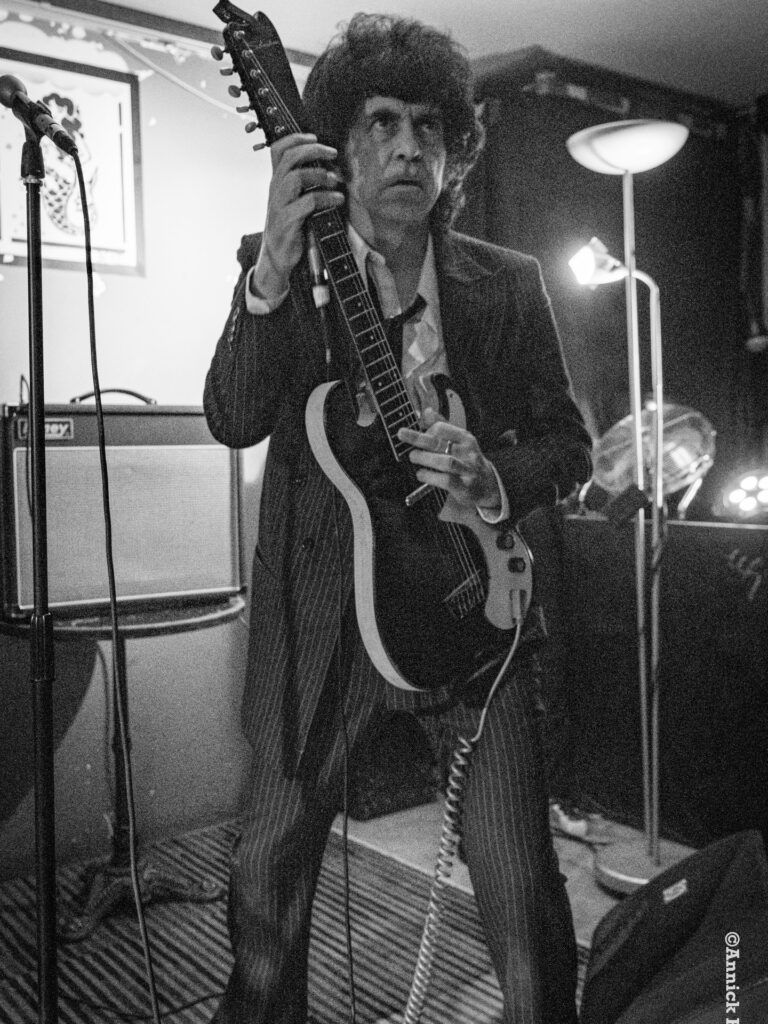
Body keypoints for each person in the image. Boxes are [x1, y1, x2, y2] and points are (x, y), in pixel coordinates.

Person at [204, 13, 592, 1024]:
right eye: (380, 122)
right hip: (321, 623)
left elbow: (570, 443)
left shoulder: (508, 284)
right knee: (268, 880)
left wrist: (491, 476)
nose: (408, 147)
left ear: (455, 149)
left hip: (475, 605)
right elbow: (233, 417)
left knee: (521, 884)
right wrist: (271, 269)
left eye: (429, 126)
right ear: (338, 144)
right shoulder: (281, 266)